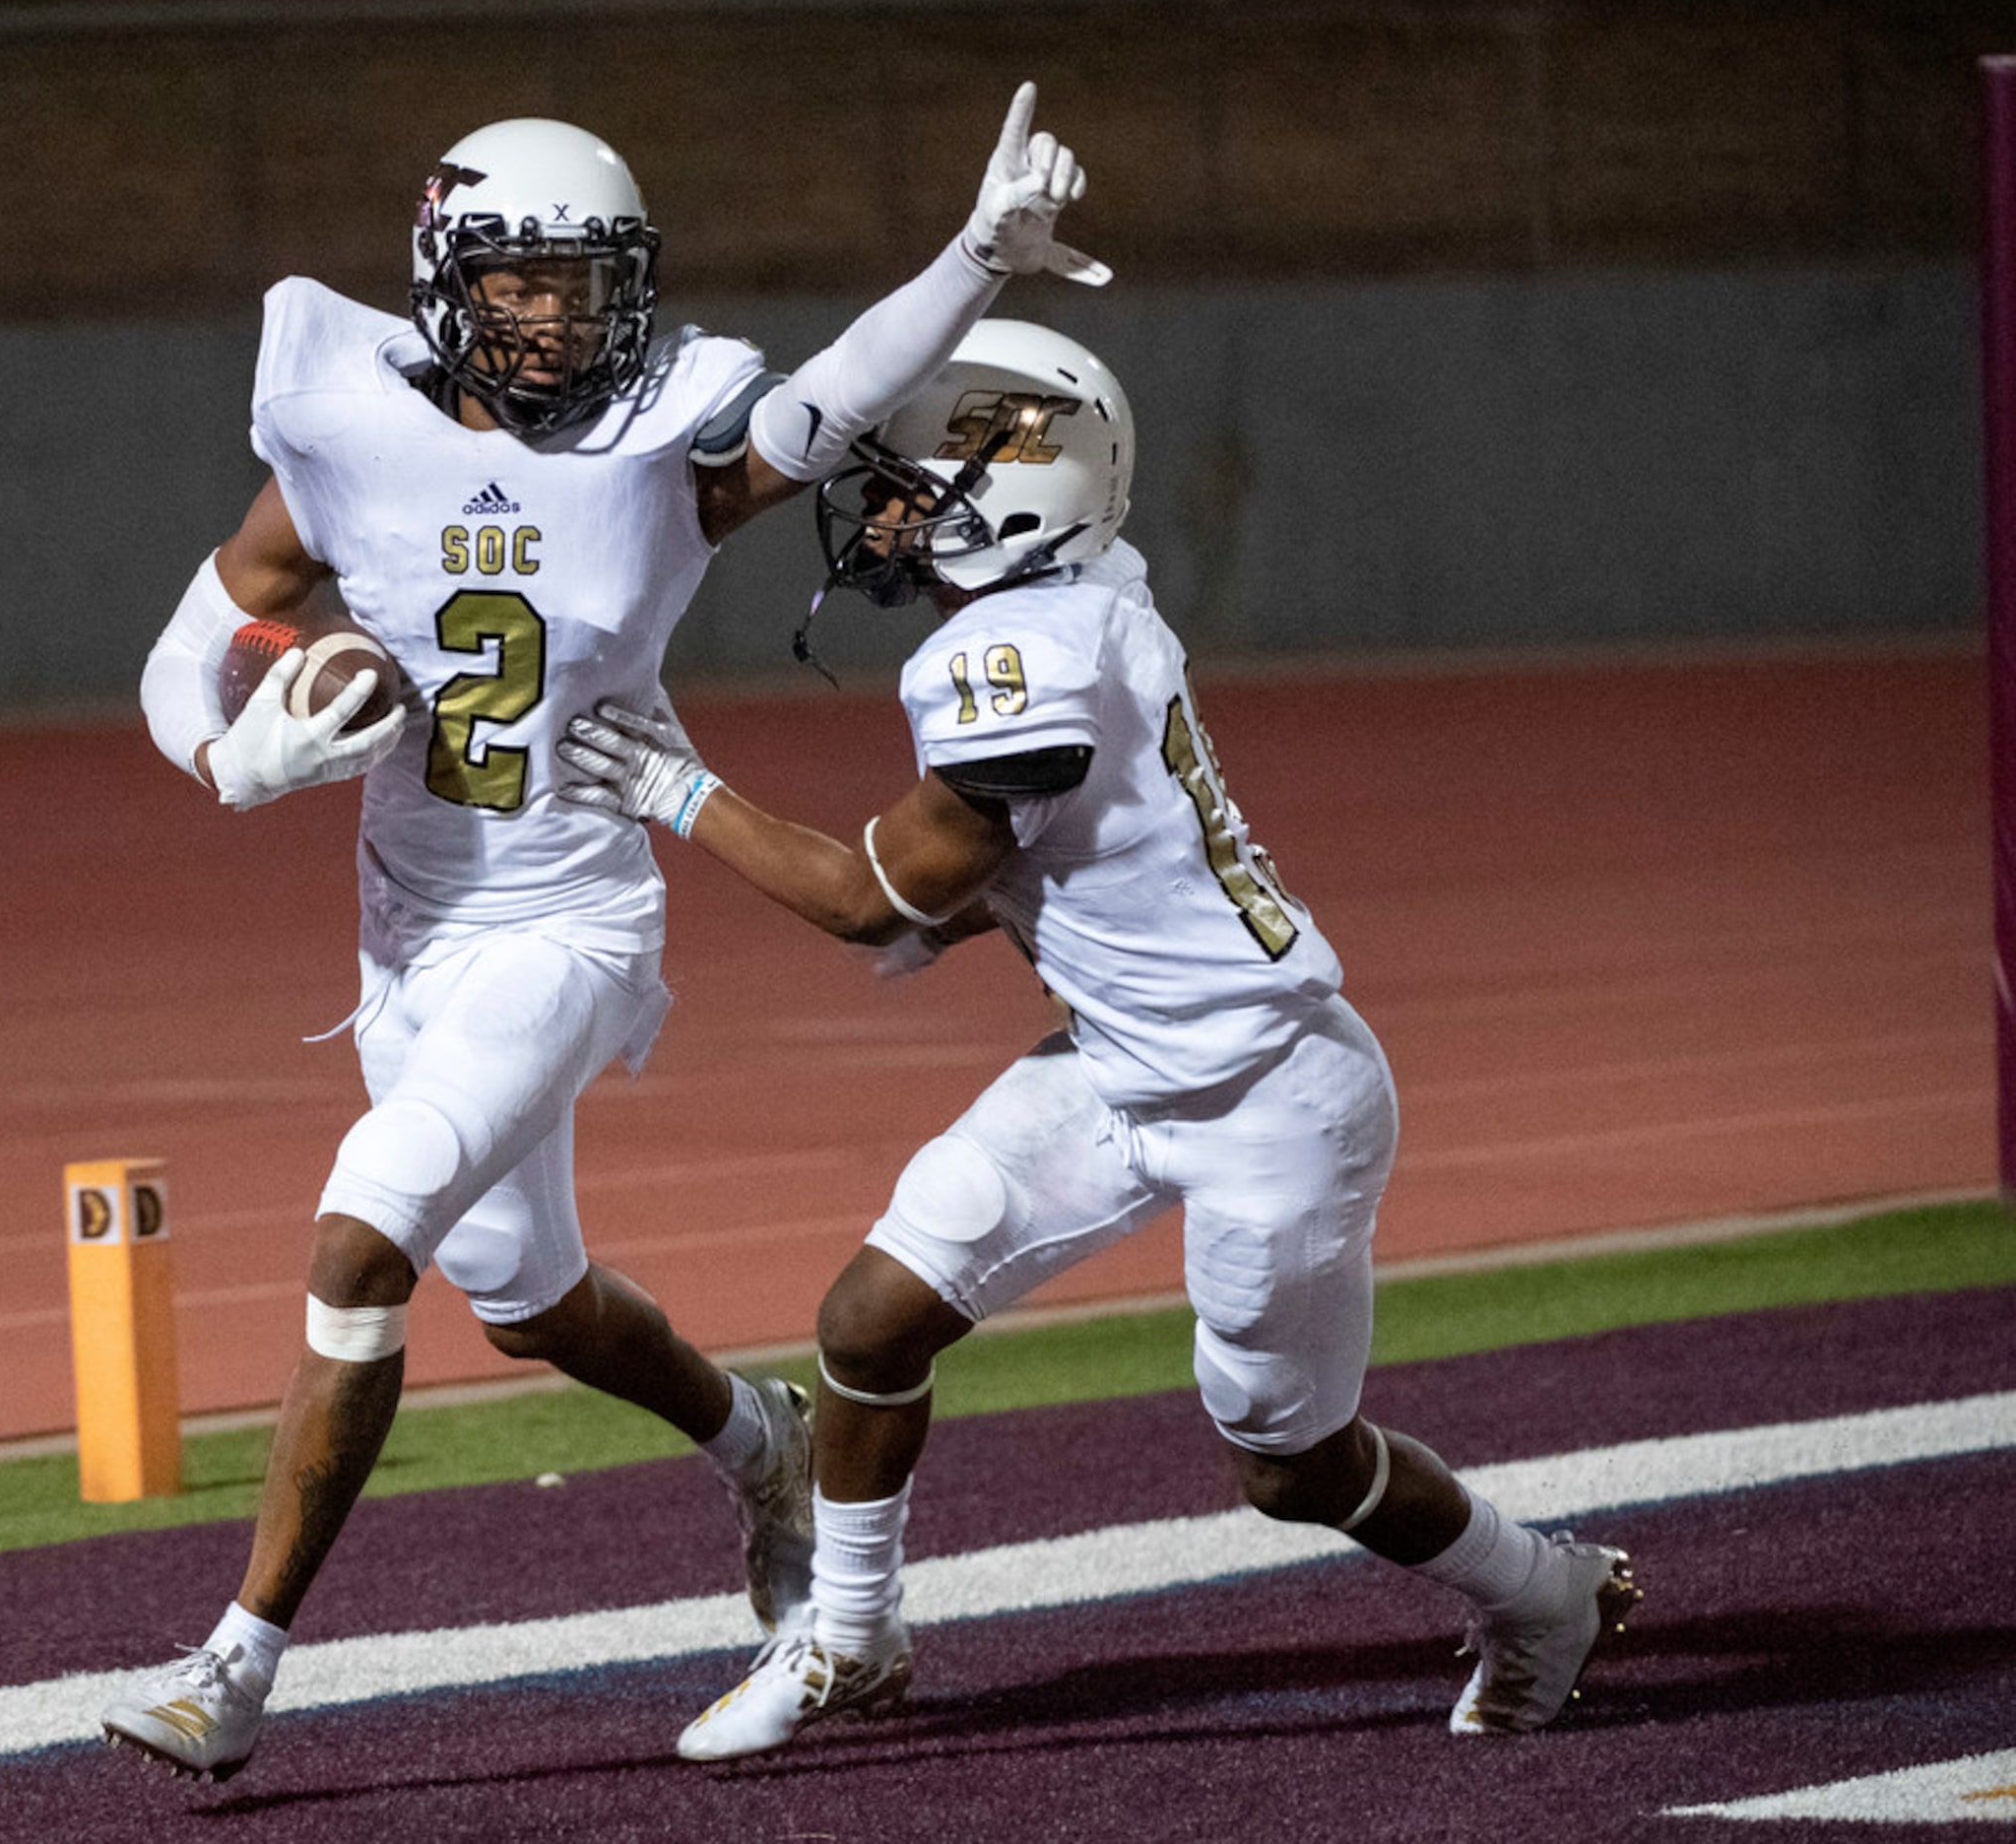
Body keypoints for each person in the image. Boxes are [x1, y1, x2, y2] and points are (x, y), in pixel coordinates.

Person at [98, 91, 1106, 1784]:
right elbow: (185, 650)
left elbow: (829, 399)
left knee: (363, 1238)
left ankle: (233, 1664)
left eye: (590, 279)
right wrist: (234, 751)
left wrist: (966, 258)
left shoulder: (663, 448)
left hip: (569, 923)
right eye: (526, 280)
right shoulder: (344, 429)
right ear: (446, 278)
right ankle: (762, 1442)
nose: (562, 312)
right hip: (406, 937)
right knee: (532, 1299)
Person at [555, 319, 1643, 1762]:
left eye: (906, 481)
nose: (879, 510)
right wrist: (941, 912)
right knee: (872, 1317)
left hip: (1269, 1091)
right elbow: (1017, 854)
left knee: (1288, 1463)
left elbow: (869, 896)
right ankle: (853, 1633)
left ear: (1016, 497)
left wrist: (676, 788)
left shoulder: (1019, 653)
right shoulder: (1077, 593)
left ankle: (1542, 1589)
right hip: (1123, 1059)